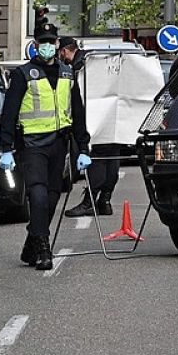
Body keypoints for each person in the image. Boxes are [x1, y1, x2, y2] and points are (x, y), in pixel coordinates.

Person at [0, 27, 90, 269]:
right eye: (43, 42)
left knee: (51, 197)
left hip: (59, 143)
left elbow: (77, 112)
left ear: (58, 44)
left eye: (51, 42)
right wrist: (6, 147)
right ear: (36, 44)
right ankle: (43, 249)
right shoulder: (24, 74)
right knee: (37, 194)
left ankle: (31, 244)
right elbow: (9, 112)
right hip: (32, 144)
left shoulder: (67, 74)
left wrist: (83, 148)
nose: (47, 46)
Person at [60, 35, 116, 218]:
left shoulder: (79, 66)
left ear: (64, 50)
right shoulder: (93, 60)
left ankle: (89, 202)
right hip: (109, 117)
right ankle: (105, 201)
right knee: (111, 156)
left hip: (90, 119)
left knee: (97, 158)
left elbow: (79, 99)